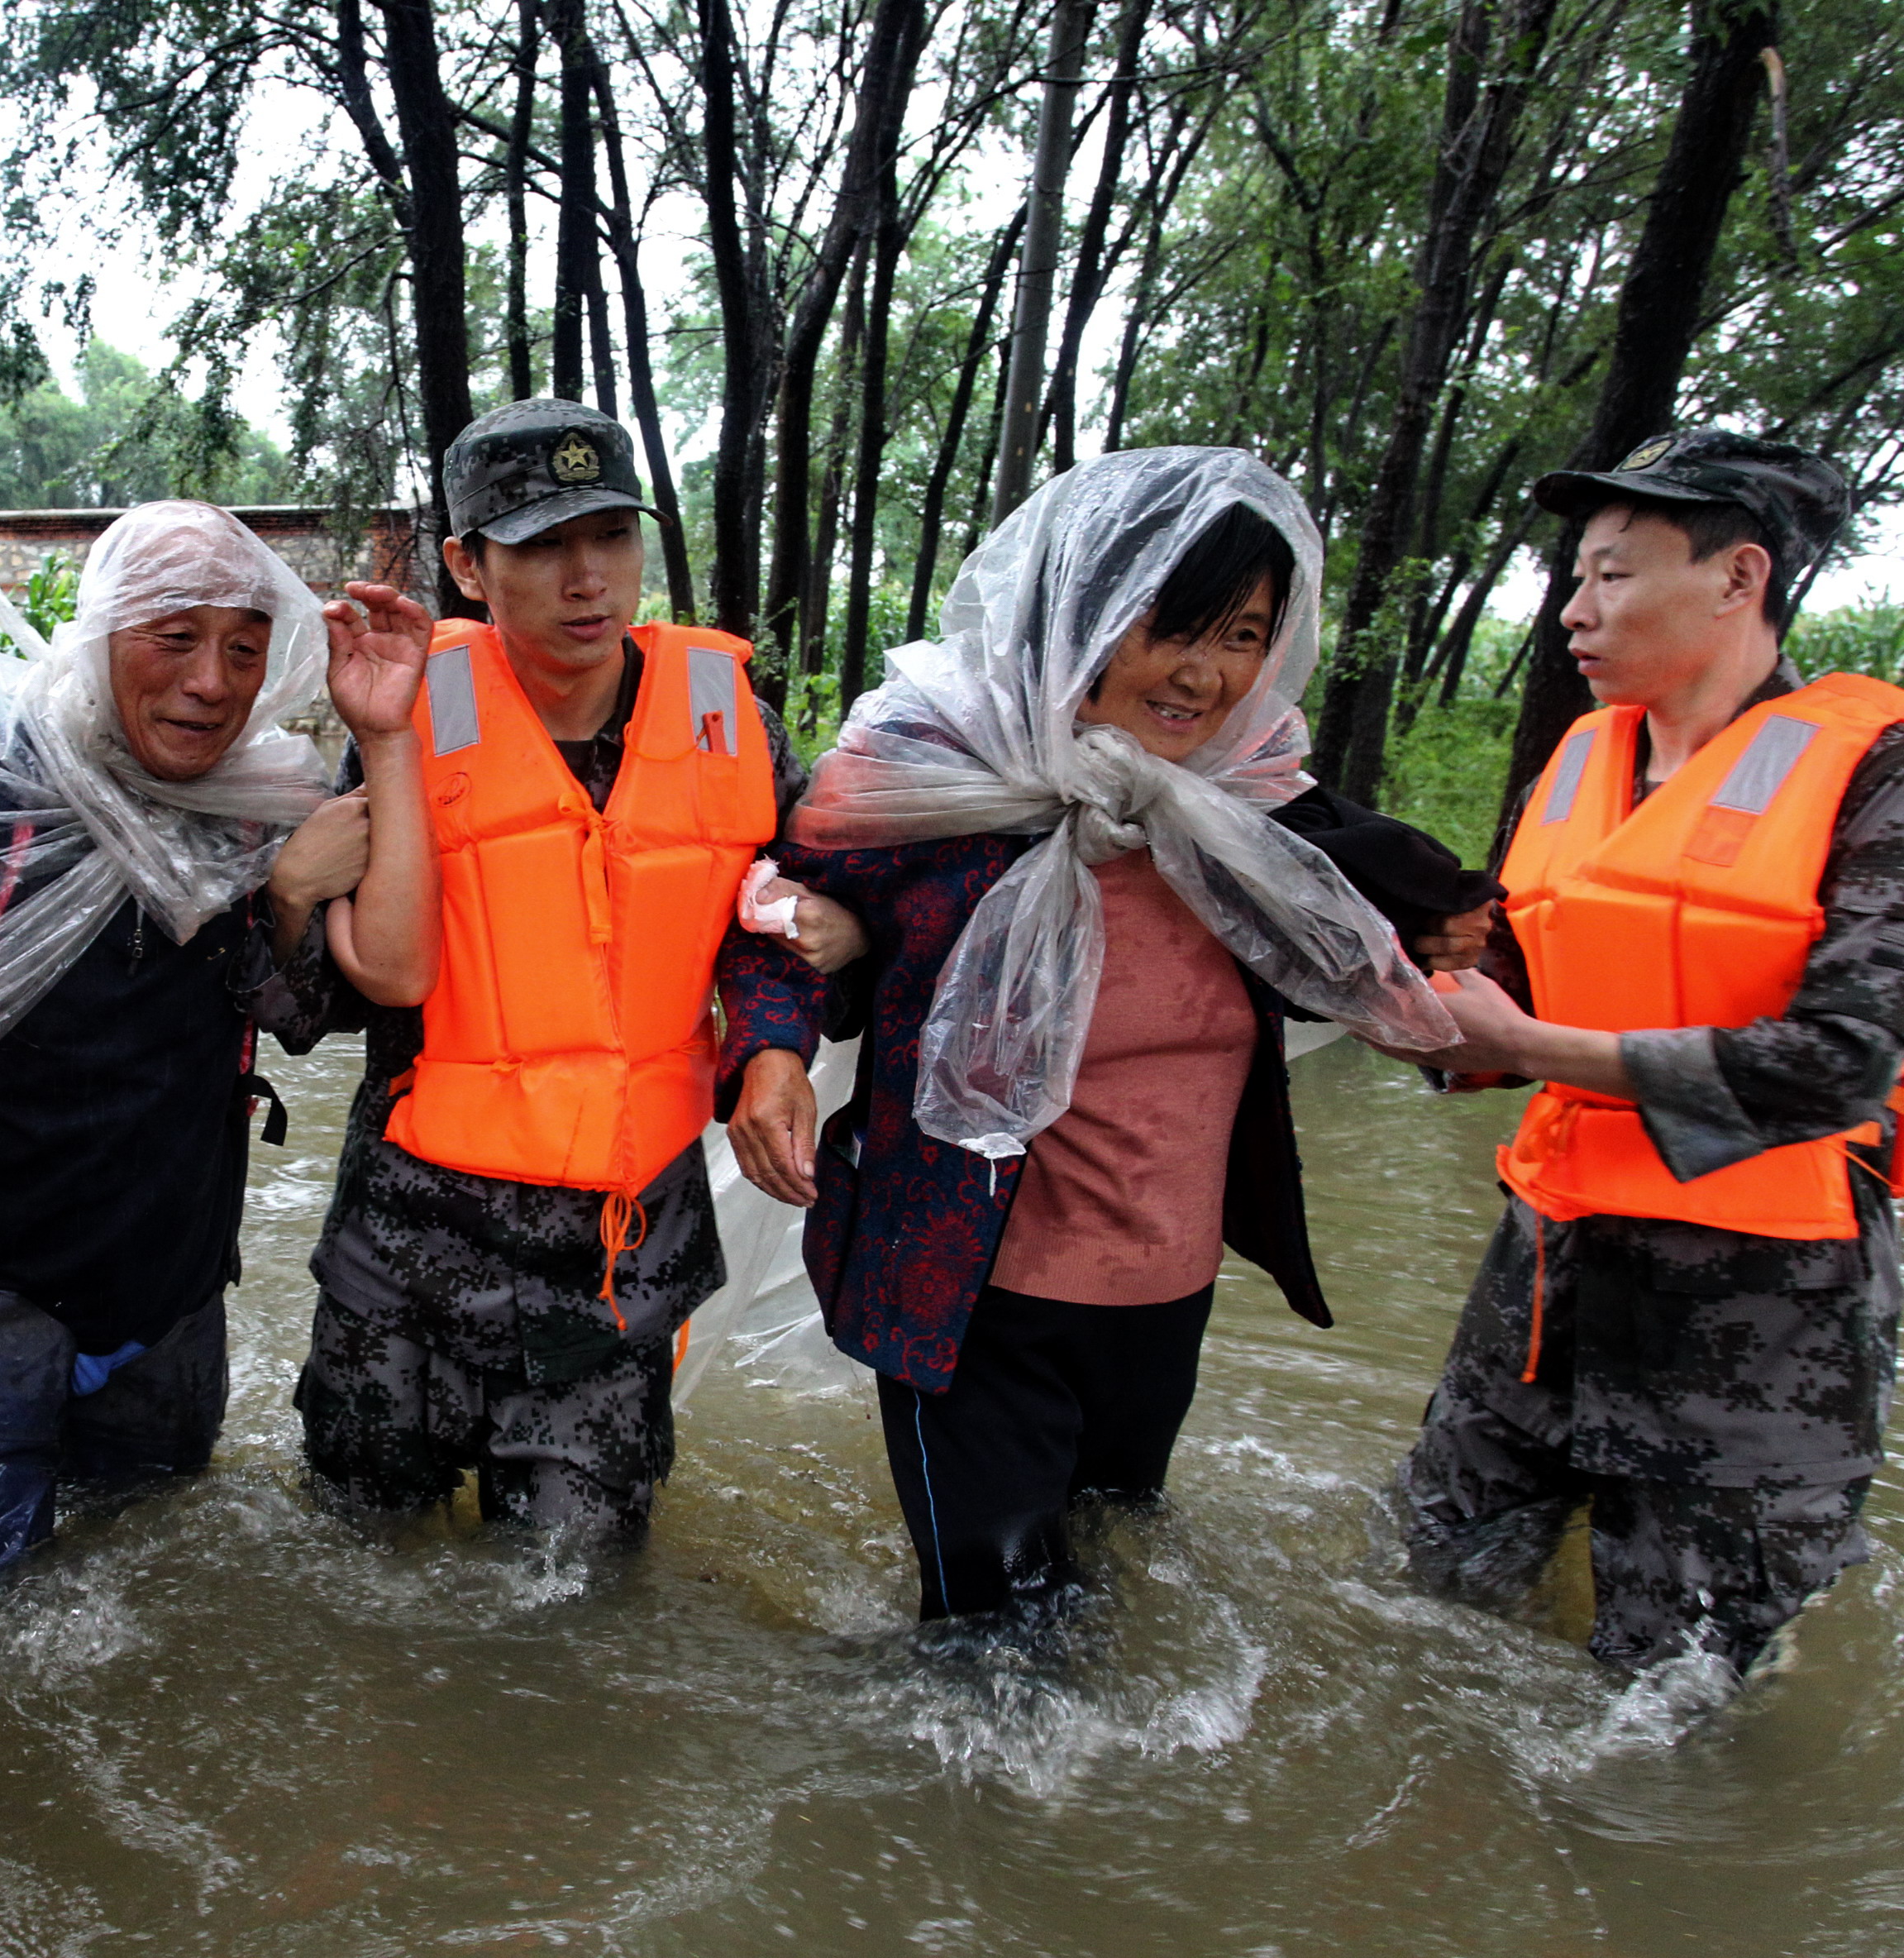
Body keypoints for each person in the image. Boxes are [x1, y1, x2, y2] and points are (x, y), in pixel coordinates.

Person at [716, 447, 1494, 1626]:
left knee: (1113, 1593)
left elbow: (1427, 948)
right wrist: (771, 1053)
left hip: (1161, 1304)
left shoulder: (1261, 815)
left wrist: (1461, 987)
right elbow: (773, 918)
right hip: (968, 1297)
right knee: (993, 1646)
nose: (1201, 673)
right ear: (1079, 614)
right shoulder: (923, 783)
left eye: (1241, 635)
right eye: (1165, 626)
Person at [0, 499, 434, 1597]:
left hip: (168, 1288)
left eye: (244, 649)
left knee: (152, 1583)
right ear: (99, 635)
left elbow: (299, 1018)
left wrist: (284, 900)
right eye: (174, 637)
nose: (211, 681)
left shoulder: (258, 803)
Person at [267, 398, 847, 1542]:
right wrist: (293, 888)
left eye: (611, 537)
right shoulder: (399, 713)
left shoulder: (738, 728)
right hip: (406, 1261)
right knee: (352, 1576)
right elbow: (319, 1000)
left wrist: (774, 1051)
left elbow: (785, 922)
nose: (588, 578)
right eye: (541, 545)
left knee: (576, 1624)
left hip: (616, 1263)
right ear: (468, 567)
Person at [1386, 430, 1894, 1681]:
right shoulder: (1580, 761)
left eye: (1613, 575)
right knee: (1426, 1614)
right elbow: (1501, 1032)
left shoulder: (1878, 772)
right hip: (1543, 1284)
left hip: (1759, 1321)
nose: (1574, 612)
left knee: (1666, 1705)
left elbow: (1840, 1062)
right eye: (1576, 579)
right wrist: (1426, 1008)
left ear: (1738, 578)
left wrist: (1530, 1038)